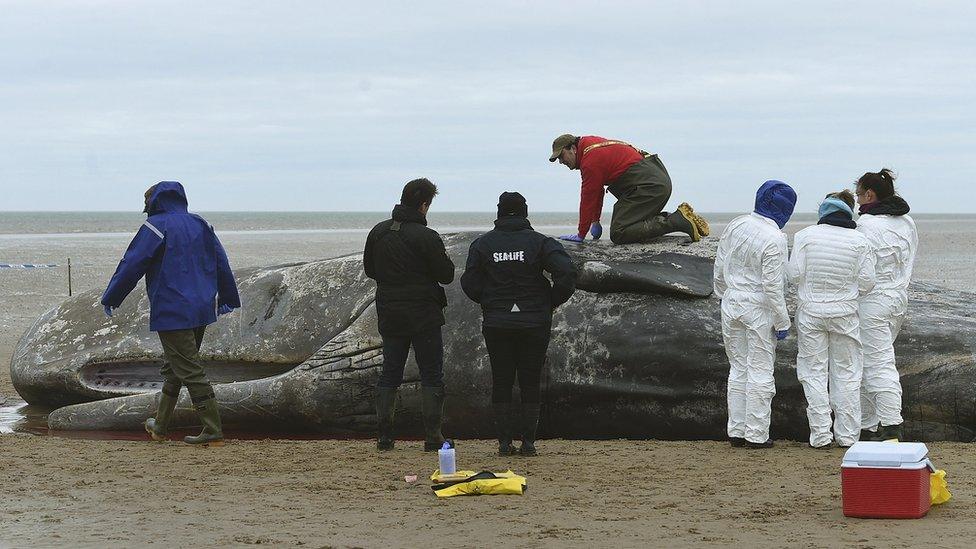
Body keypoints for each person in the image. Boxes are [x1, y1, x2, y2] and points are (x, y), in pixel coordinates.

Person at [101, 182, 240, 447]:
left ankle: (213, 430)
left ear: (153, 202)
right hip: (201, 307)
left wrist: (112, 297)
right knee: (176, 366)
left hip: (173, 309)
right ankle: (160, 426)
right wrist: (228, 297)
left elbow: (132, 264)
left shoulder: (155, 227)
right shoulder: (201, 224)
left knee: (189, 369)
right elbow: (221, 261)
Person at [460, 192, 577, 456]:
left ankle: (503, 443)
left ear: (499, 212)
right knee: (530, 380)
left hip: (498, 322)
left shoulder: (483, 244)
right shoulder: (540, 243)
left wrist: (488, 300)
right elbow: (567, 272)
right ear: (525, 212)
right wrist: (549, 301)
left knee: (501, 380)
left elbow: (469, 282)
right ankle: (529, 444)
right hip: (534, 322)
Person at [363, 178, 455, 451]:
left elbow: (370, 270)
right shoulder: (427, 237)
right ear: (424, 205)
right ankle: (433, 435)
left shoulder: (378, 232)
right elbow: (446, 275)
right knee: (431, 373)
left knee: (390, 372)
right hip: (424, 314)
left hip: (390, 312)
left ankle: (384, 435)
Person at [788, 192, 876, 448]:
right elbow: (868, 282)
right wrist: (849, 294)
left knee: (813, 373)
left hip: (811, 313)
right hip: (845, 313)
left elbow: (794, 275)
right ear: (849, 211)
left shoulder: (804, 236)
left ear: (823, 211)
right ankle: (848, 436)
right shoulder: (860, 241)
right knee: (847, 374)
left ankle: (820, 435)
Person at [713, 180, 796, 449]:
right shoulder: (775, 239)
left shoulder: (737, 224)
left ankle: (736, 430)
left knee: (737, 368)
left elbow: (720, 263)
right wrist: (782, 321)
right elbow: (773, 286)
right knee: (760, 371)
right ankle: (757, 433)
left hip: (732, 301)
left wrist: (723, 293)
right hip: (758, 308)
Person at [549, 133, 710, 245]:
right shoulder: (591, 145)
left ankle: (677, 221)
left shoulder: (590, 160)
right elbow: (596, 191)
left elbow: (588, 197)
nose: (561, 162)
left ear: (572, 148)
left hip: (647, 186)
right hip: (655, 180)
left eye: (561, 156)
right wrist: (595, 221)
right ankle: (681, 217)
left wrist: (580, 234)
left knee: (619, 232)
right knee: (630, 221)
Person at [854, 169, 917, 441]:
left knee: (877, 362)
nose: (856, 201)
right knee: (870, 359)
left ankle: (891, 424)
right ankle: (867, 425)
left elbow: (861, 270)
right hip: (898, 299)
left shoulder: (866, 226)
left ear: (870, 194)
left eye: (858, 195)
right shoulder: (908, 223)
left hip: (873, 301)